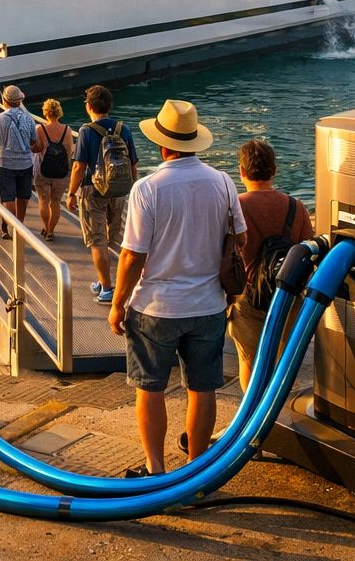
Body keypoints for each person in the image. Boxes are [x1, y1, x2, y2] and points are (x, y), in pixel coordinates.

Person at [107, 99, 246, 477]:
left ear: (162, 144)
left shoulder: (148, 188)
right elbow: (241, 239)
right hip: (208, 304)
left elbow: (132, 256)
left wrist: (117, 304)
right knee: (202, 388)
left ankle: (155, 469)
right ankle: (196, 469)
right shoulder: (222, 182)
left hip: (156, 306)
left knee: (150, 388)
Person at [228, 139, 313, 392]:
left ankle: (252, 414)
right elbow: (308, 250)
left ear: (242, 171)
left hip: (247, 297)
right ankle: (278, 410)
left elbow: (224, 253)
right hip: (287, 295)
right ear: (274, 170)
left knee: (250, 362)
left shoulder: (236, 208)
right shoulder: (296, 208)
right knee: (283, 359)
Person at [65, 85, 138, 303]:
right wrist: (130, 186)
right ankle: (106, 279)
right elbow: (134, 163)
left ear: (89, 106)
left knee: (97, 240)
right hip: (118, 191)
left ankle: (106, 288)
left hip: (93, 190)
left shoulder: (87, 131)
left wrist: (71, 193)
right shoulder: (122, 129)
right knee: (113, 237)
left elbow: (79, 166)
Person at [0, 85, 43, 235]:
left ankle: (9, 225)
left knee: (8, 196)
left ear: (4, 100)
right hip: (25, 163)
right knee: (23, 195)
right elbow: (34, 143)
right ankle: (19, 226)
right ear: (20, 101)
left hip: (5, 162)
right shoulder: (28, 119)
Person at [34, 98, 74, 240]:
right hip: (61, 171)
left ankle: (46, 227)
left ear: (45, 112)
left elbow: (36, 148)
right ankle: (51, 231)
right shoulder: (67, 130)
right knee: (55, 202)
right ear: (59, 112)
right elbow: (69, 151)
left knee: (43, 200)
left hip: (43, 170)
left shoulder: (40, 129)